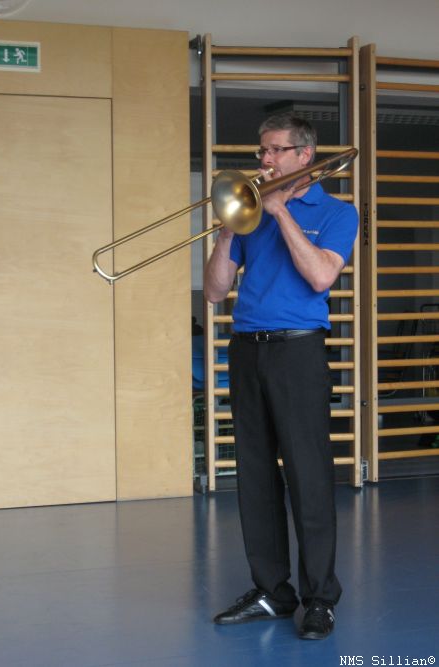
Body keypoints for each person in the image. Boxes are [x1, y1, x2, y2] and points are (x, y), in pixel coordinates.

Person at [204, 112, 359, 640]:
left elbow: (320, 275)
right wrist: (228, 230)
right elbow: (215, 291)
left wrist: (281, 213)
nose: (264, 160)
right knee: (254, 475)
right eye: (262, 151)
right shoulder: (250, 215)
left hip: (298, 352)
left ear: (304, 155)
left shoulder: (337, 212)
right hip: (247, 350)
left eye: (274, 150)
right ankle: (272, 590)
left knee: (307, 475)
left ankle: (319, 598)